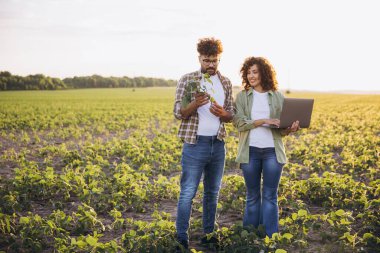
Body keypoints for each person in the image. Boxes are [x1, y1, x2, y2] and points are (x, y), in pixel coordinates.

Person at [173, 37, 234, 249]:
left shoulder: (225, 82)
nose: (210, 64)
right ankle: (181, 236)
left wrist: (224, 114)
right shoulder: (188, 80)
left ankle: (209, 234)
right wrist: (195, 104)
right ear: (199, 58)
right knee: (188, 192)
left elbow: (231, 115)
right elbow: (178, 113)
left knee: (212, 192)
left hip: (217, 144)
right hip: (194, 144)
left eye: (214, 61)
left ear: (219, 60)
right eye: (206, 60)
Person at [233, 56, 300, 237]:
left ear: (264, 73)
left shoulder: (277, 96)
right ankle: (249, 236)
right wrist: (263, 120)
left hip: (272, 152)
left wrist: (290, 129)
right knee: (252, 196)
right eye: (248, 73)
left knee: (270, 196)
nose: (251, 76)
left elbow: (281, 130)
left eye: (254, 72)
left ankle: (270, 237)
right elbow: (238, 123)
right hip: (250, 152)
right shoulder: (242, 97)